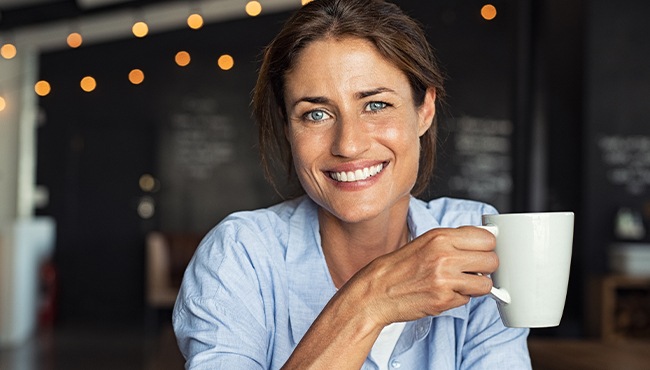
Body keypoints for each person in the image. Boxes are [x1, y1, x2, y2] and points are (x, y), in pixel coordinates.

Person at [172, 0, 532, 368]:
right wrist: (370, 299)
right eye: (316, 114)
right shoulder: (240, 256)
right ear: (287, 128)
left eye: (376, 105)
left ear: (424, 110)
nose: (348, 144)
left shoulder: (476, 237)